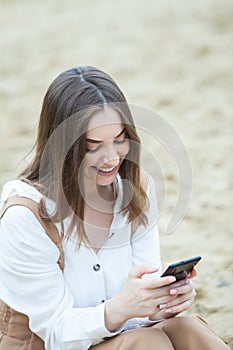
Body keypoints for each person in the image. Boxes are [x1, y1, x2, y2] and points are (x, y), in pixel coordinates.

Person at [0, 66, 230, 350]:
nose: (111, 157)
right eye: (93, 146)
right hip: (52, 344)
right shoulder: (26, 215)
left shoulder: (136, 191)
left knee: (186, 328)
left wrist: (158, 304)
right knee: (145, 343)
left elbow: (139, 317)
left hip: (120, 338)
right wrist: (119, 309)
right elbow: (57, 335)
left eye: (120, 139)